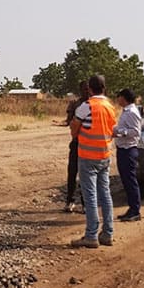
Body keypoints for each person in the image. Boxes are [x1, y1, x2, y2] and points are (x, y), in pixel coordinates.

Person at [70, 75, 117, 248]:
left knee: (90, 196)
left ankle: (91, 236)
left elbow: (75, 126)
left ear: (89, 88)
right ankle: (108, 233)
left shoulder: (86, 106)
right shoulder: (110, 107)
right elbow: (112, 130)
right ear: (104, 88)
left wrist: (76, 135)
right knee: (105, 194)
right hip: (104, 155)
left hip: (88, 156)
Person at [114, 88, 143, 222]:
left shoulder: (131, 112)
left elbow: (135, 132)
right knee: (126, 180)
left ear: (123, 98)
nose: (117, 99)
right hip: (123, 148)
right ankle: (131, 209)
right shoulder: (127, 111)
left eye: (119, 96)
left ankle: (135, 210)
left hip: (128, 149)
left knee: (130, 181)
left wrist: (119, 132)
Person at [64, 81, 90, 212]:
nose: (86, 91)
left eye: (88, 89)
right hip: (76, 143)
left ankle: (86, 203)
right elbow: (69, 122)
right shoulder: (75, 104)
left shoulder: (94, 105)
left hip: (89, 145)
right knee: (72, 172)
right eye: (83, 89)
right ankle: (70, 201)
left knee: (86, 175)